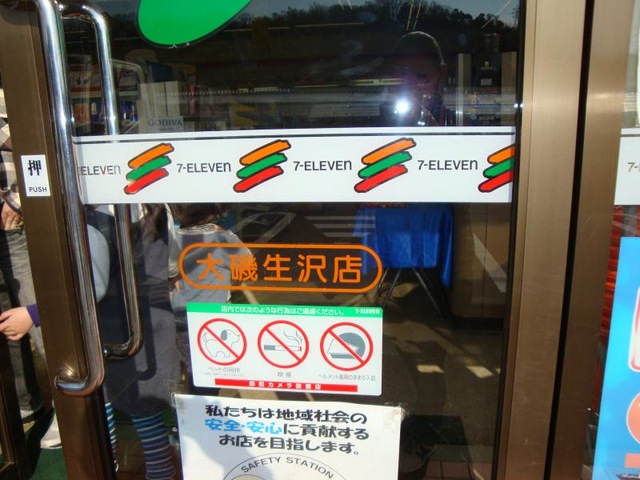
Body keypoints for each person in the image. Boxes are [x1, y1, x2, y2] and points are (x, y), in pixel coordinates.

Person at [89, 203, 180, 479]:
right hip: (155, 323)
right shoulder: (159, 207)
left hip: (112, 331)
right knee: (145, 408)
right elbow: (172, 264)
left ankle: (109, 466)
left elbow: (95, 287)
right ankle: (161, 471)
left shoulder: (94, 219)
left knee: (102, 407)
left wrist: (34, 313)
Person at [0, 100, 62, 448]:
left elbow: (39, 148)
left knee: (38, 315)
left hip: (14, 226)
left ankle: (68, 403)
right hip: (12, 223)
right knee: (9, 320)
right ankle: (24, 402)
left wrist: (16, 200)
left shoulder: (10, 99)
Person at [169, 203, 249, 390]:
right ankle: (201, 401)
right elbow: (247, 265)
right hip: (212, 319)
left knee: (183, 366)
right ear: (214, 212)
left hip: (179, 314)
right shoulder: (222, 239)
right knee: (208, 372)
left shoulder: (173, 239)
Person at [381, 31, 453, 127]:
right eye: (403, 76)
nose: (412, 87)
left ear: (441, 75)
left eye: (421, 76)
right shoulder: (373, 126)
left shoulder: (461, 125)